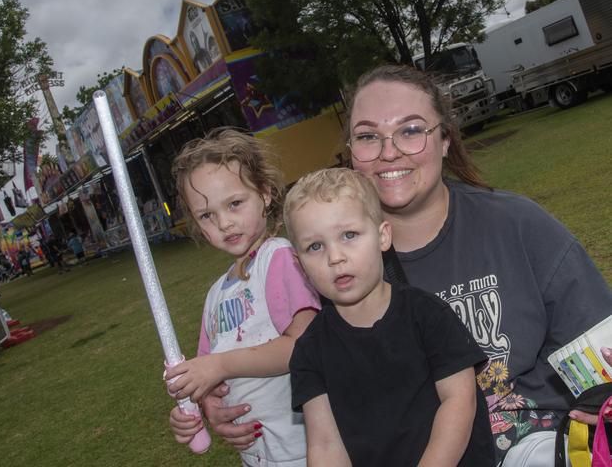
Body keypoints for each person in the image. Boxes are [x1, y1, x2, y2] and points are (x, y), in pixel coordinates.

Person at [170, 64, 612, 464]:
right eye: (367, 136)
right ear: (350, 151)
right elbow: (294, 360)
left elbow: (600, 338)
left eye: (411, 130)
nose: (388, 151)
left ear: (444, 139)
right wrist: (215, 396)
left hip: (530, 444)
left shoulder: (516, 225)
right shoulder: (325, 269)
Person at [283, 167, 495, 466]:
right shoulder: (309, 352)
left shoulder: (427, 314)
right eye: (315, 246)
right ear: (298, 262)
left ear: (383, 236)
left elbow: (459, 402)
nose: (335, 257)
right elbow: (326, 445)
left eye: (349, 235)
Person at [165, 129, 320, 466]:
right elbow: (206, 379)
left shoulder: (279, 258)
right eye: (207, 215)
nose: (224, 223)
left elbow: (304, 347)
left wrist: (219, 365)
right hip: (259, 457)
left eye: (234, 203)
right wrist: (202, 409)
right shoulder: (215, 296)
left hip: (305, 451)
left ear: (264, 193)